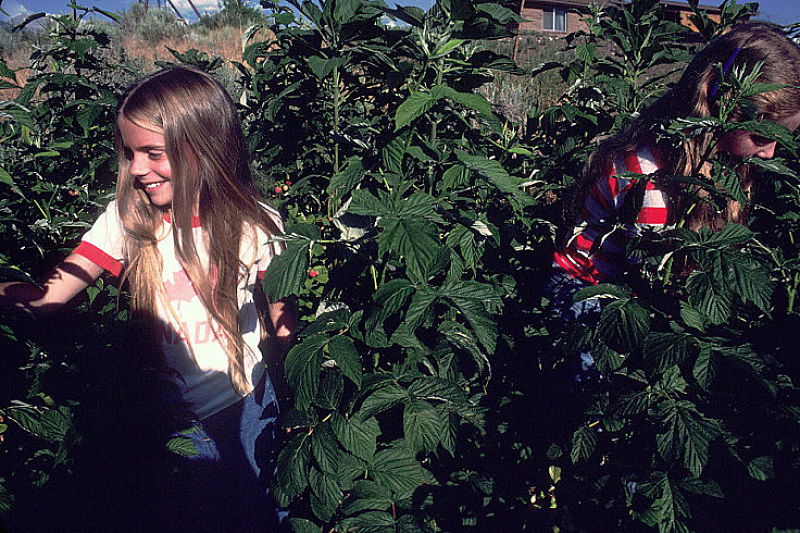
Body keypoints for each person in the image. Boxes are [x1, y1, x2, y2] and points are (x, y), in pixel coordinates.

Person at [0, 66, 297, 529]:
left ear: (205, 148)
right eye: (130, 153)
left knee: (260, 512)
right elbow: (49, 298)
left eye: (153, 153)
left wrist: (298, 376)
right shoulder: (126, 222)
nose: (137, 169)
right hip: (172, 418)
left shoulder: (256, 224)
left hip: (252, 405)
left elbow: (280, 317)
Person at [544, 22, 800, 381]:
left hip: (637, 282)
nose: (771, 152)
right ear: (723, 106)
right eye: (761, 136)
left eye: (782, 137)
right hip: (588, 288)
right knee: (596, 376)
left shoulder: (715, 160)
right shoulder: (649, 178)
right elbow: (649, 277)